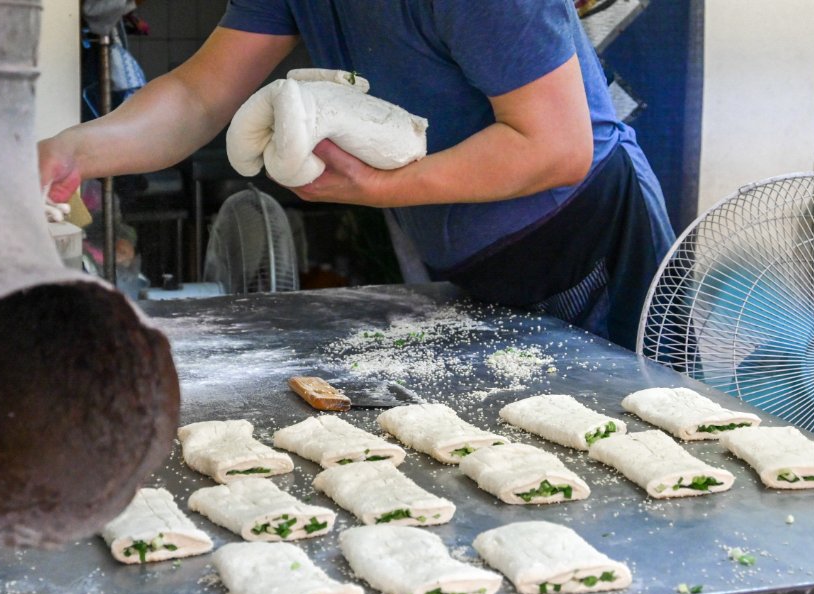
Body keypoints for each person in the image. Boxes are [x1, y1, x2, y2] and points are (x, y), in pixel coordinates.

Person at [39, 0, 675, 351]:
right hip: (464, 253)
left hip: (587, 239)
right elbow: (199, 96)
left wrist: (378, 189)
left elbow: (556, 147)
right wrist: (75, 151)